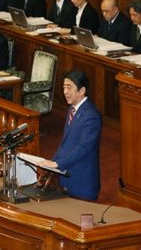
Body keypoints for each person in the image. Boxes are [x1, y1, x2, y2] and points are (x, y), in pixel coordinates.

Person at [40, 70, 102, 201]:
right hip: (67, 179)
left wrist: (58, 164)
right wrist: (51, 163)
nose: (65, 92)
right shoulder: (72, 109)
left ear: (82, 91)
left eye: (69, 87)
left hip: (82, 183)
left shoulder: (91, 116)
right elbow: (65, 143)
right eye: (64, 87)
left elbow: (83, 148)